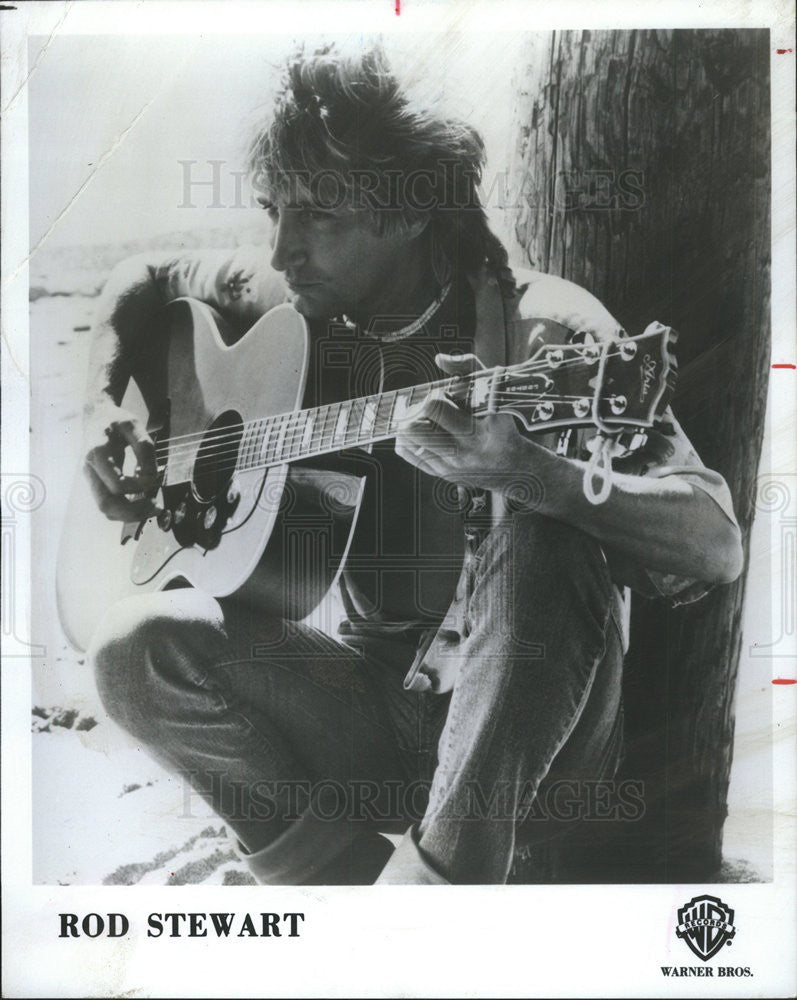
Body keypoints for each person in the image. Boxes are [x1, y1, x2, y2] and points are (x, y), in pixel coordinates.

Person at [82, 43, 743, 885]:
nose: (282, 250)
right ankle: (335, 886)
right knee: (131, 649)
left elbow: (714, 544)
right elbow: (144, 278)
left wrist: (533, 475)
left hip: (535, 746)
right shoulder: (304, 303)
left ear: (406, 212)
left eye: (318, 216)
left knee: (540, 527)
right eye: (271, 211)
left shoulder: (551, 335)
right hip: (367, 712)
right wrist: (105, 411)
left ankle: (434, 898)